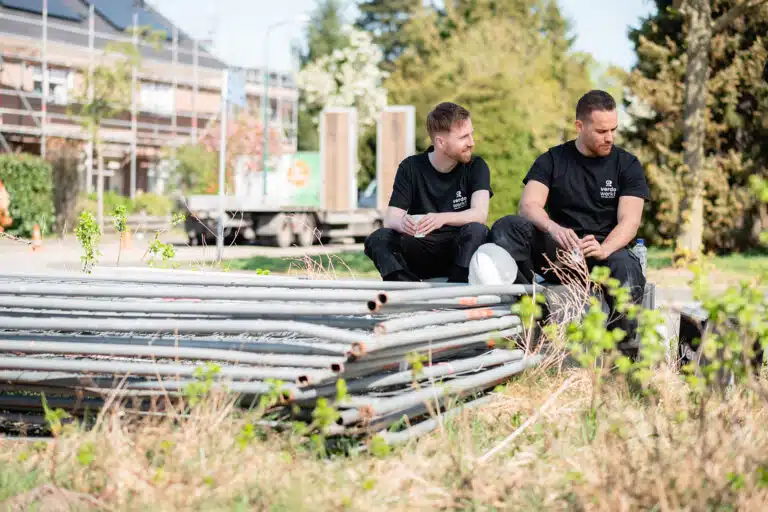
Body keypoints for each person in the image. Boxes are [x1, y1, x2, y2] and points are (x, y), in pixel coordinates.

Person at [489, 89, 650, 357]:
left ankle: (619, 365)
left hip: (605, 254)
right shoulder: (552, 160)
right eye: (601, 131)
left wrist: (605, 248)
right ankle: (532, 311)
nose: (609, 137)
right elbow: (528, 205)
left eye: (613, 130)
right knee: (507, 227)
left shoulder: (627, 165)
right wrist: (554, 228)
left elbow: (630, 221)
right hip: (560, 252)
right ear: (579, 126)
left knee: (629, 272)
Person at [364, 102, 492, 283]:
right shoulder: (411, 167)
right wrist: (404, 224)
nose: (472, 142)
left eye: (471, 134)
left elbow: (479, 214)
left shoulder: (477, 167)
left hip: (458, 254)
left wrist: (441, 218)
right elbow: (391, 217)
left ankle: (456, 291)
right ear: (440, 142)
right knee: (378, 238)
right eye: (464, 137)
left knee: (477, 231)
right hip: (421, 248)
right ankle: (405, 287)